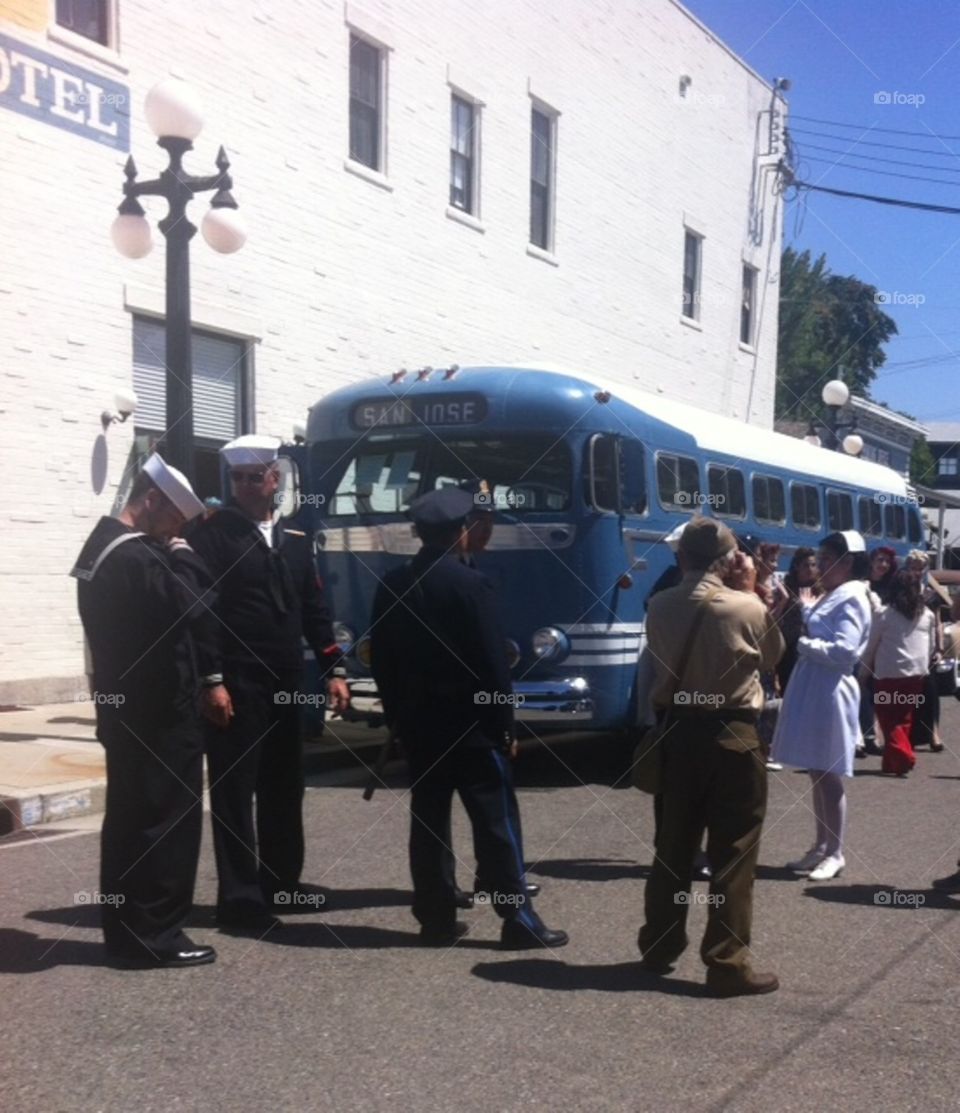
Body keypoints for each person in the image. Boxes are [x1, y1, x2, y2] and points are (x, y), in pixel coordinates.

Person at [370, 487, 567, 949]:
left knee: (429, 821)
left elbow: (382, 662)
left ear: (419, 533)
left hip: (420, 725)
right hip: (473, 726)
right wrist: (504, 724)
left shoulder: (393, 584)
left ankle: (435, 918)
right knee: (495, 824)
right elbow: (491, 665)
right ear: (461, 532)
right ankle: (516, 917)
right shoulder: (470, 584)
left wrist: (399, 717)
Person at [191, 435, 350, 934]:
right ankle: (239, 901)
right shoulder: (214, 536)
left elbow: (314, 610)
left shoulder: (296, 538)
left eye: (254, 477)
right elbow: (203, 614)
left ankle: (282, 884)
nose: (245, 486)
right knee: (236, 791)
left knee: (285, 784)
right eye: (237, 478)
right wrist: (212, 680)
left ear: (274, 480)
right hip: (238, 680)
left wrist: (333, 669)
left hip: (286, 678)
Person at [70, 454, 215, 968]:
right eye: (175, 522)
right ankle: (157, 936)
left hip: (124, 707)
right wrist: (182, 553)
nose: (177, 533)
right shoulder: (141, 557)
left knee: (128, 822)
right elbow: (196, 604)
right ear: (151, 502)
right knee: (165, 823)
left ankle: (127, 932)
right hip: (158, 714)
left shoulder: (102, 545)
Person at [638, 517, 785, 997]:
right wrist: (752, 590)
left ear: (681, 557)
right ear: (727, 560)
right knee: (734, 853)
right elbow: (771, 658)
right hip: (732, 737)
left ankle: (659, 945)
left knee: (673, 847)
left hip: (678, 735)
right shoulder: (746, 607)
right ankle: (726, 961)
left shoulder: (658, 605)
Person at [772, 531, 873, 881]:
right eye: (820, 558)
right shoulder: (837, 595)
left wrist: (804, 644)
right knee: (817, 772)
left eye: (828, 560)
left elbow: (845, 652)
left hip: (831, 688)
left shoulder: (852, 597)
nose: (820, 567)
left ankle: (836, 852)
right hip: (818, 687)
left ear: (848, 563)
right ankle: (819, 846)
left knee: (829, 774)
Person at [861, 570, 936, 777]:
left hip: (888, 675)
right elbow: (931, 646)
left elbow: (871, 647)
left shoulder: (883, 614)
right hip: (917, 675)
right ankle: (890, 762)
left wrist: (862, 673)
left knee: (888, 719)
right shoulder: (927, 614)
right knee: (904, 718)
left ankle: (904, 757)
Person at [905, 550, 946, 753]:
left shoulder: (931, 593)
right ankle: (910, 732)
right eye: (914, 567)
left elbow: (938, 622)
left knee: (930, 691)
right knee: (909, 691)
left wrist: (939, 648)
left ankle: (934, 732)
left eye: (921, 568)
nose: (917, 572)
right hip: (908, 645)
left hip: (928, 646)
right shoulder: (902, 591)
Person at [774, 547, 821, 694]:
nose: (810, 569)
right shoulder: (786, 589)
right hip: (789, 648)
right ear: (797, 567)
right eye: (806, 565)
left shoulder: (821, 590)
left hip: (812, 649)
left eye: (813, 565)